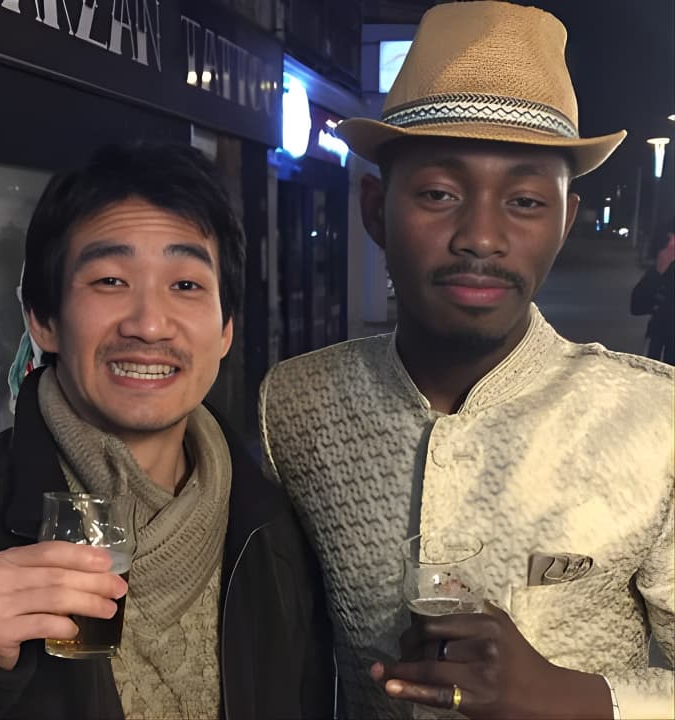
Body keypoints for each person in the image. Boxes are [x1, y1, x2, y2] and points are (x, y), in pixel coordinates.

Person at [259, 3, 674, 719]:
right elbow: (280, 638)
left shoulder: (654, 419)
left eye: (525, 201)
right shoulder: (295, 405)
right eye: (438, 194)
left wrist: (572, 696)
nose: (481, 236)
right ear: (374, 209)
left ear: (564, 221)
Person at [0, 142, 334, 720]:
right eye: (110, 280)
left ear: (225, 331)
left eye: (186, 286)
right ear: (44, 320)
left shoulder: (271, 526)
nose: (150, 325)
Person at [631, 220, 675, 364]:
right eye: (669, 239)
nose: (671, 245)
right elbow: (637, 306)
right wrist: (658, 271)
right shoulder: (665, 270)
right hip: (659, 352)